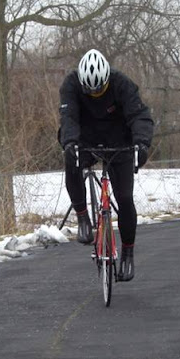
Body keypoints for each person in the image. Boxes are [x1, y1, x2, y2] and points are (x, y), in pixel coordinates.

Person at [58, 49, 154, 282]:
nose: (95, 94)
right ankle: (82, 216)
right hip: (86, 139)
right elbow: (68, 118)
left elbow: (140, 116)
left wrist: (141, 144)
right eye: (89, 91)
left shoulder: (122, 84)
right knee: (71, 160)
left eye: (99, 90)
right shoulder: (70, 84)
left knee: (125, 198)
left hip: (118, 142)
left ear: (107, 80)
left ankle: (128, 254)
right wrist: (70, 142)